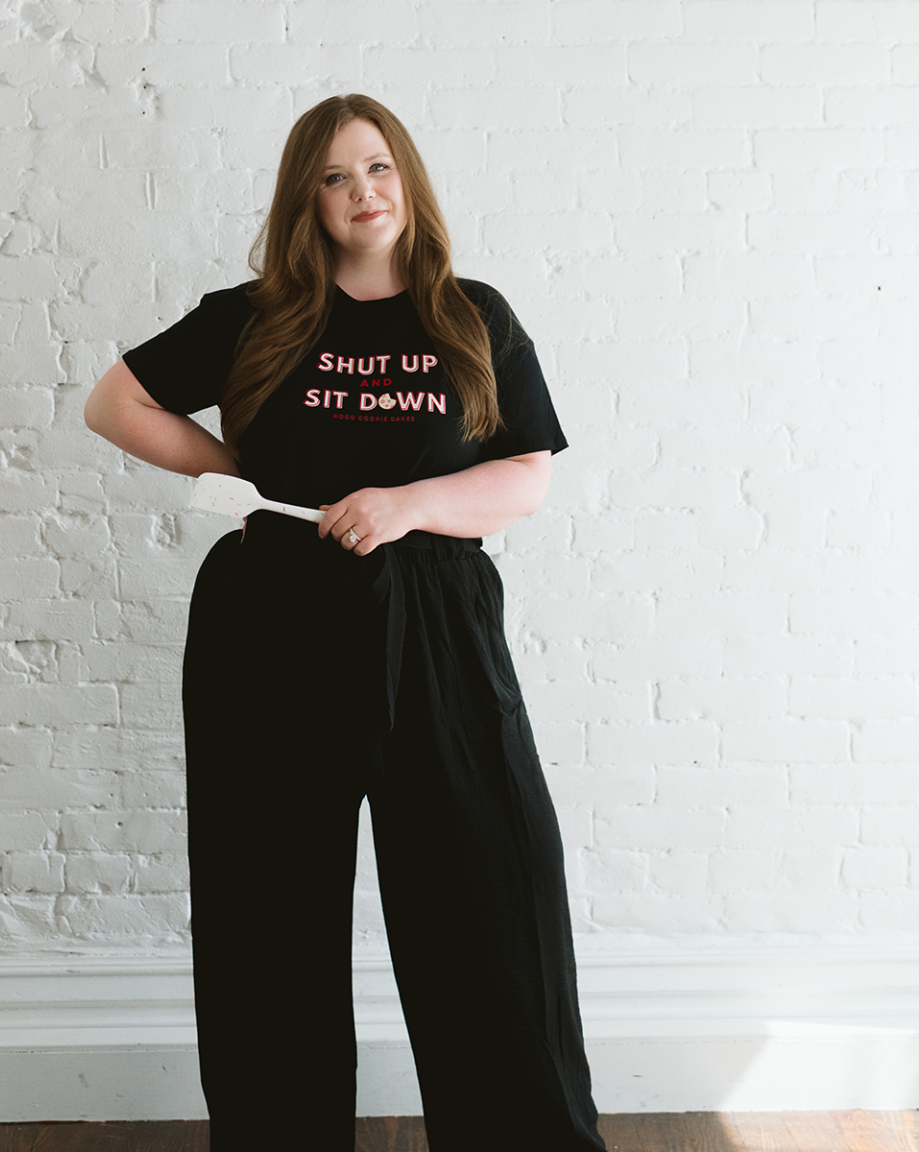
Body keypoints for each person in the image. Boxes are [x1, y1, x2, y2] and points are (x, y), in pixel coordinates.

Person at [85, 94, 606, 1152]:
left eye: (377, 168)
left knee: (489, 898)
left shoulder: (472, 315)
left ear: (406, 178)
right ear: (306, 201)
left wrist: (407, 505)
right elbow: (115, 403)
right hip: (272, 620)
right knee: (268, 915)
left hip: (439, 626)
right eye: (334, 177)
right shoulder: (255, 315)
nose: (361, 192)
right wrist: (241, 473)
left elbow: (526, 479)